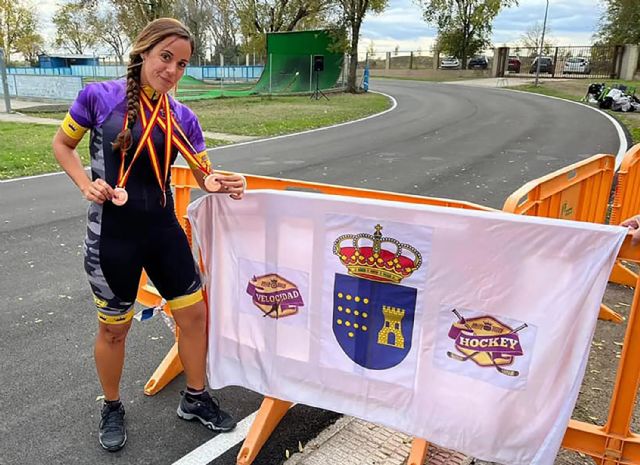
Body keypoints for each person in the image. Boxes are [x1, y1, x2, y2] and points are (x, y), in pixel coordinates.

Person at [52, 18, 245, 452]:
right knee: (114, 331)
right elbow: (61, 145)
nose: (173, 70)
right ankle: (113, 405)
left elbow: (204, 173)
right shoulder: (98, 97)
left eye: (182, 64)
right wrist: (86, 185)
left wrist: (219, 183)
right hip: (113, 235)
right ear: (142, 51)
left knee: (194, 315)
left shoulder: (182, 116)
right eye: (166, 57)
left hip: (162, 231)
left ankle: (195, 398)